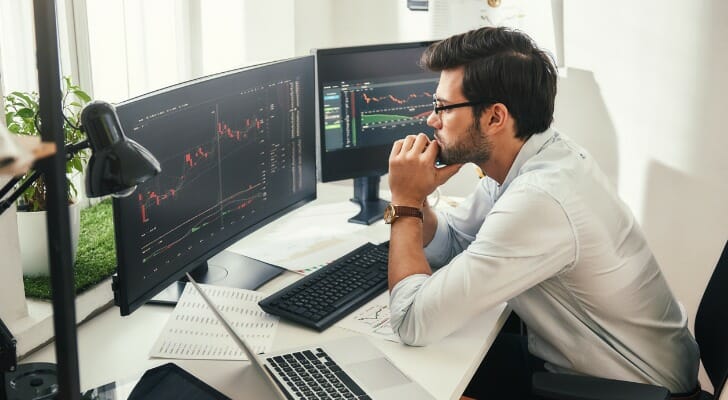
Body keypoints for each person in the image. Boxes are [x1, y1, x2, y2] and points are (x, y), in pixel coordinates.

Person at [385, 26, 700, 400]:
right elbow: (454, 243)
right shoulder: (533, 157)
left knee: (408, 381)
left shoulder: (539, 198)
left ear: (494, 118)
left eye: (442, 107)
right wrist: (418, 197)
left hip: (624, 391)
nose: (431, 120)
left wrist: (404, 203)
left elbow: (410, 321)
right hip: (600, 370)